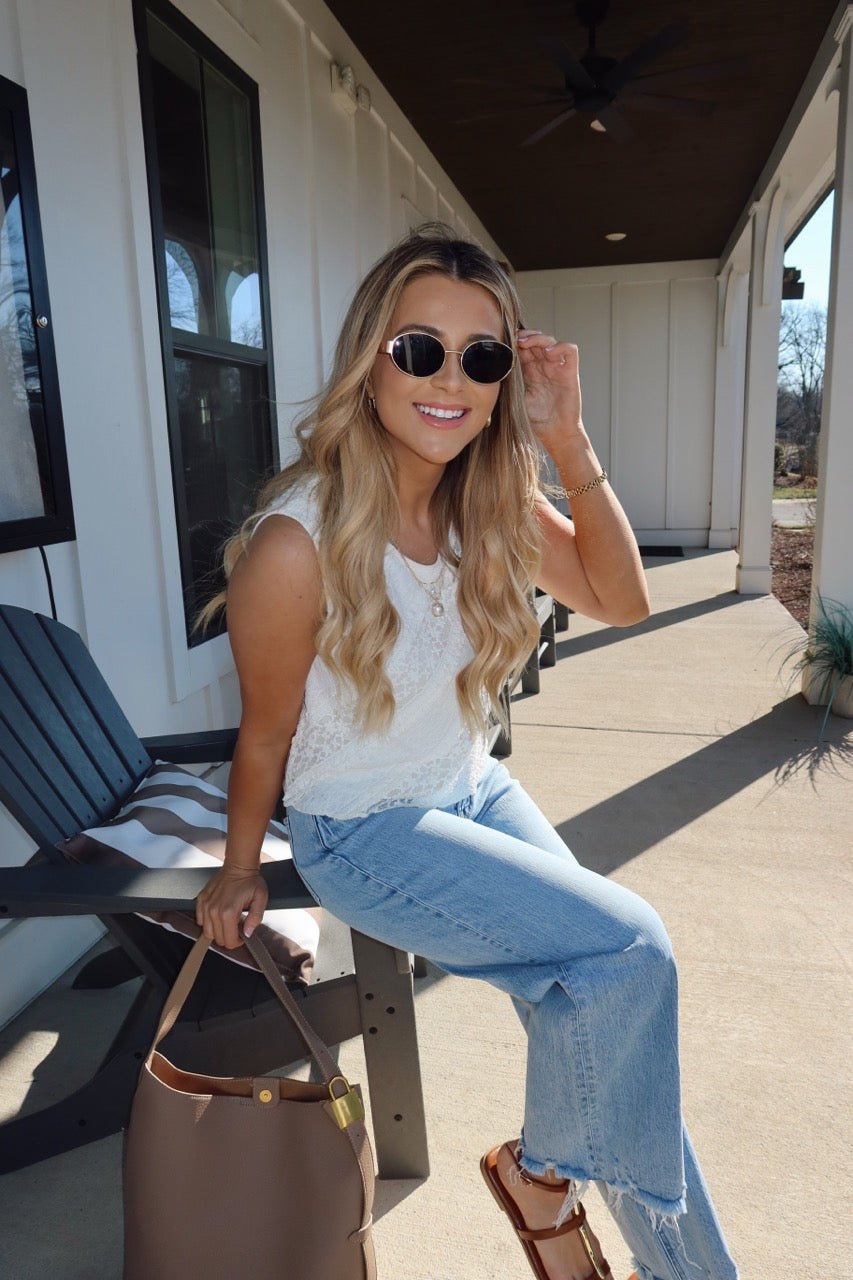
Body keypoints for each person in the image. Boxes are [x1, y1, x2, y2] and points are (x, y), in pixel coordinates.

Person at [195, 223, 738, 1280]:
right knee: (632, 952)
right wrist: (234, 866)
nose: (450, 379)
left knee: (613, 1030)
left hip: (468, 788)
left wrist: (569, 443)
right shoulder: (294, 543)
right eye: (419, 349)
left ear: (503, 380)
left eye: (481, 356)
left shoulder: (484, 499)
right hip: (364, 830)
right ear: (372, 359)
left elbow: (622, 599)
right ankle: (544, 1183)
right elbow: (263, 730)